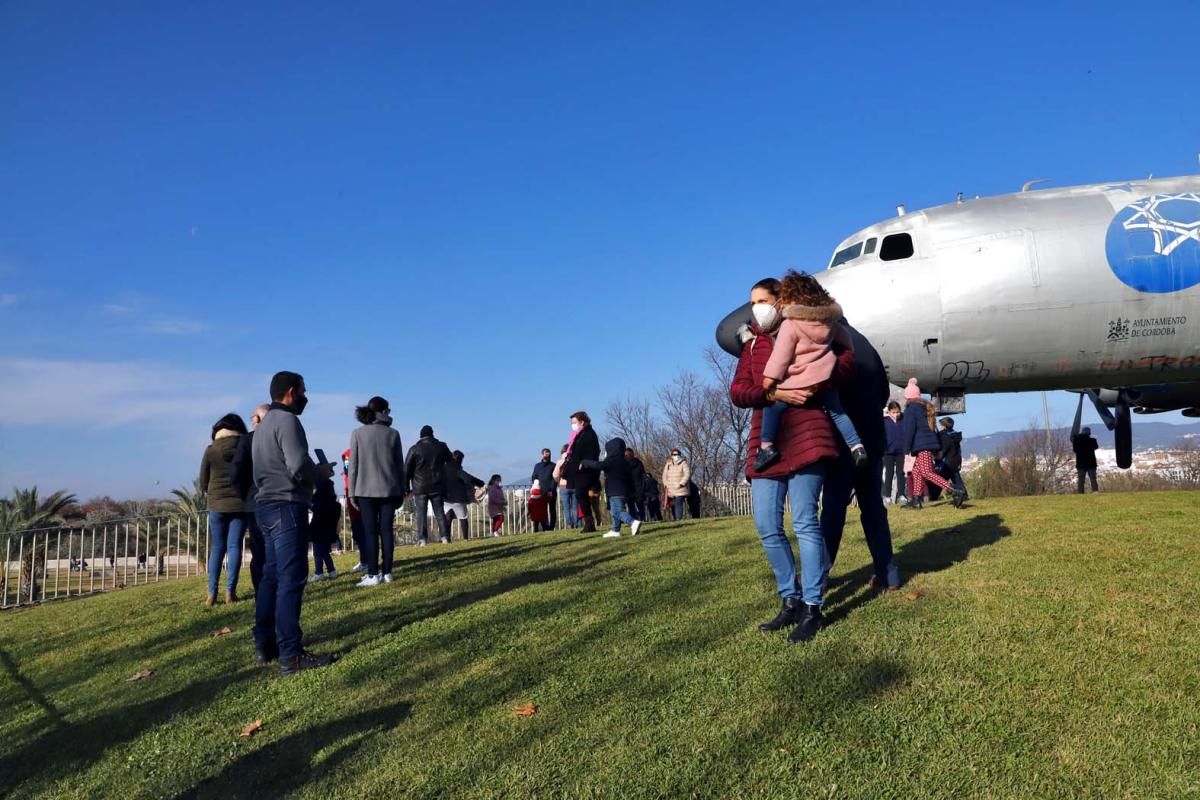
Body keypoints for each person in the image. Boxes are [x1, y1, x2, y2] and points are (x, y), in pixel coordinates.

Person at [731, 276, 851, 643]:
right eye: (752, 302)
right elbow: (738, 391)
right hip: (764, 442)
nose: (757, 308)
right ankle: (790, 598)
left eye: (763, 300)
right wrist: (773, 393)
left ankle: (813, 606)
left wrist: (816, 385)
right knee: (767, 526)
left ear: (781, 301)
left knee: (805, 524)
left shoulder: (813, 328)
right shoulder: (752, 345)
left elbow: (846, 362)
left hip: (807, 436)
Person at [252, 370, 333, 676]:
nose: (305, 397)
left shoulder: (262, 427)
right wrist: (320, 474)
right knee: (291, 579)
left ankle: (265, 643)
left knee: (270, 576)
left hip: (266, 507)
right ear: (290, 391)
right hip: (287, 505)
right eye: (303, 391)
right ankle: (291, 654)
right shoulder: (287, 421)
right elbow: (298, 464)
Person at [756, 270, 868, 472]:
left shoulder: (791, 324)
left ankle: (766, 446)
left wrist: (769, 379)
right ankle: (857, 447)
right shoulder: (828, 322)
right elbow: (845, 339)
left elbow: (780, 356)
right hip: (825, 377)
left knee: (772, 407)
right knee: (838, 412)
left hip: (799, 379)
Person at [819, 322, 901, 591]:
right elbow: (884, 392)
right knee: (873, 507)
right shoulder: (865, 344)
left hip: (845, 439)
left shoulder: (830, 342)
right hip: (874, 437)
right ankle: (888, 572)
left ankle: (820, 574)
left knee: (833, 508)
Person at [348, 396, 407, 587]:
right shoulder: (393, 434)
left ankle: (373, 574)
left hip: (364, 490)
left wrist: (352, 493)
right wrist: (402, 489)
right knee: (387, 531)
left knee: (370, 532)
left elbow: (353, 466)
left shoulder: (357, 434)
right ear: (384, 411)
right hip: (390, 489)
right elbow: (400, 465)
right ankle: (387, 572)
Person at [199, 413, 251, 607]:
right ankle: (231, 592)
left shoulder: (211, 450)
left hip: (217, 505)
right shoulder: (245, 446)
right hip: (240, 504)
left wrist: (211, 492)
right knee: (234, 546)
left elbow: (203, 480)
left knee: (217, 548)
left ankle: (211, 594)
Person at [901, 379, 965, 509]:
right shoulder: (924, 408)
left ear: (907, 397)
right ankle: (916, 499)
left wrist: (906, 448)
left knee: (926, 472)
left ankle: (954, 491)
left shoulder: (910, 410)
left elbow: (909, 430)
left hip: (921, 445)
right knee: (917, 471)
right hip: (926, 444)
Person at [231, 403, 271, 592]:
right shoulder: (277, 438)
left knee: (259, 553)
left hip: (254, 502)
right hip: (276, 500)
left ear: (257, 419)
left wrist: (244, 496)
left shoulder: (247, 440)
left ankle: (261, 592)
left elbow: (236, 472)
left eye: (252, 417)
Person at [581, 437, 643, 538]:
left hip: (615, 491)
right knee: (615, 510)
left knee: (617, 511)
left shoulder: (611, 460)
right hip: (624, 491)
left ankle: (632, 522)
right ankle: (615, 530)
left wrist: (585, 462)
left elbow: (598, 465)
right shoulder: (625, 461)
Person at [405, 425, 453, 545]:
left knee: (421, 514)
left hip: (419, 487)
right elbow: (451, 459)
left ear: (420, 436)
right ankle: (445, 537)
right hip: (437, 485)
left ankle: (422, 540)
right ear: (432, 434)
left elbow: (406, 470)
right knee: (439, 512)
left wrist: (406, 488)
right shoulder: (441, 446)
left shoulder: (414, 449)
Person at [564, 412, 601, 532]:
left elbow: (593, 451)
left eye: (574, 423)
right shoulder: (578, 435)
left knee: (581, 493)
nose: (573, 425)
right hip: (579, 470)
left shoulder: (589, 434)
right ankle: (589, 522)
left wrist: (584, 462)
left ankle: (589, 522)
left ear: (582, 422)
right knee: (580, 495)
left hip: (585, 470)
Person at [309, 461, 341, 581]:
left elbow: (316, 512)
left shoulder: (319, 500)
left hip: (319, 529)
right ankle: (331, 570)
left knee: (318, 553)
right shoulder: (332, 498)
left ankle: (319, 572)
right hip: (329, 528)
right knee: (325, 552)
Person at [444, 450, 485, 539]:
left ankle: (446, 539)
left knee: (448, 517)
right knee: (463, 517)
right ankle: (465, 538)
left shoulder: (443, 469)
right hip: (459, 498)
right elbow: (468, 478)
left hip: (445, 498)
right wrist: (481, 483)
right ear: (460, 460)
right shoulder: (458, 470)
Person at [341, 448, 367, 573]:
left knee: (359, 532)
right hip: (366, 495)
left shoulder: (348, 454)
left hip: (354, 496)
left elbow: (347, 471)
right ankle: (368, 559)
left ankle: (365, 561)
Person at [882, 401, 906, 505]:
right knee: (889, 473)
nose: (896, 414)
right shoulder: (884, 421)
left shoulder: (903, 420)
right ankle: (887, 497)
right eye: (894, 412)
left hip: (901, 450)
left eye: (898, 412)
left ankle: (901, 495)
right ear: (889, 411)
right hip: (888, 451)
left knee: (901, 473)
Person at [937, 417, 968, 500]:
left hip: (946, 462)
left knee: (938, 480)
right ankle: (963, 493)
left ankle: (932, 495)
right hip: (956, 459)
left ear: (944, 426)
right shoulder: (955, 435)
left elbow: (944, 449)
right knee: (956, 478)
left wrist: (938, 457)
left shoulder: (943, 435)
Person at [530, 449, 558, 530]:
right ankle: (545, 526)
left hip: (551, 492)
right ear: (541, 455)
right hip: (540, 492)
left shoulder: (553, 465)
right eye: (545, 454)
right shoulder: (537, 466)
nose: (546, 456)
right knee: (542, 510)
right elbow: (534, 477)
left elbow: (555, 478)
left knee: (552, 510)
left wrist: (551, 489)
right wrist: (536, 486)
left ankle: (551, 527)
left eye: (548, 454)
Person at [661, 449, 691, 521]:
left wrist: (681, 483)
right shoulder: (668, 464)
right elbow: (664, 475)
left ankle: (678, 519)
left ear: (680, 455)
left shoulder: (683, 463)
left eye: (677, 454)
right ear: (671, 455)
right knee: (672, 505)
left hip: (680, 489)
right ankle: (675, 518)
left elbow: (687, 474)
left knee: (678, 503)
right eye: (674, 454)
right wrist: (666, 484)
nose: (675, 456)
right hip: (670, 489)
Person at [554, 444, 577, 529]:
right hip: (574, 485)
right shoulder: (576, 460)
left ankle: (569, 524)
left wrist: (559, 481)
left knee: (566, 507)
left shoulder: (560, 462)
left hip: (563, 487)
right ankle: (577, 524)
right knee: (575, 507)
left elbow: (555, 475)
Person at [1074, 426, 1100, 493]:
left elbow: (1075, 450)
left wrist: (1076, 437)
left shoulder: (1077, 440)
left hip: (1081, 463)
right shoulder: (1092, 440)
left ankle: (1080, 492)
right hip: (1091, 463)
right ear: (1089, 433)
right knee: (1093, 478)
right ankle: (1095, 491)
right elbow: (1096, 446)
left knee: (1081, 480)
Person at [625, 448, 647, 520]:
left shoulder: (624, 463)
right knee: (640, 505)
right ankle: (642, 519)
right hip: (638, 487)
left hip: (630, 487)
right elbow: (643, 474)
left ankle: (634, 520)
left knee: (631, 506)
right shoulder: (638, 462)